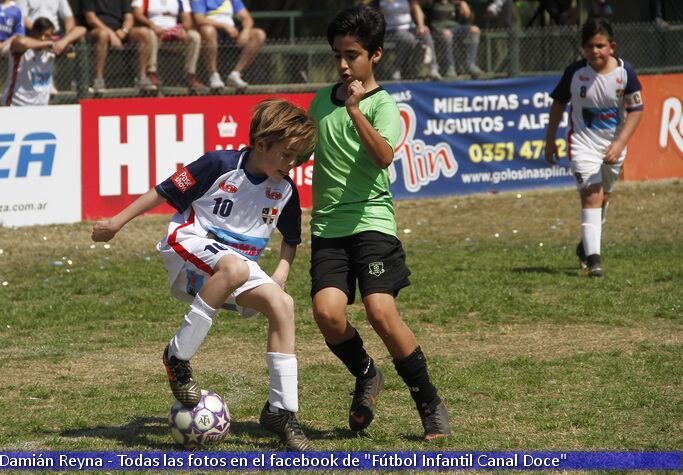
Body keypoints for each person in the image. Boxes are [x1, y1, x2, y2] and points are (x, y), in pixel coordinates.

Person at [91, 99, 317, 451]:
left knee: (282, 305)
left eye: (298, 159)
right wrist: (117, 222)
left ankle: (281, 412)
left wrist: (281, 274)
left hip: (234, 267)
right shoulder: (219, 163)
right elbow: (163, 190)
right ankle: (177, 357)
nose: (292, 165)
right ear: (261, 144)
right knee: (235, 266)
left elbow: (291, 240)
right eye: (287, 155)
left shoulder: (285, 189)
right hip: (190, 244)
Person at [307, 5, 451, 440]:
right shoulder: (319, 102)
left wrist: (354, 111)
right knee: (327, 314)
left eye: (351, 54)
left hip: (372, 221)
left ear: (375, 56)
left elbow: (384, 156)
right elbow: (299, 152)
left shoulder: (383, 104)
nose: (343, 64)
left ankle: (429, 402)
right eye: (337, 55)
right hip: (328, 227)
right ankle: (367, 373)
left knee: (380, 310)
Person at [544, 18, 644, 278]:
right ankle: (594, 261)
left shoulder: (626, 73)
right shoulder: (575, 73)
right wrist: (550, 140)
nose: (595, 51)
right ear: (583, 48)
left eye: (600, 45)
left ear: (612, 46)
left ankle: (585, 246)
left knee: (604, 197)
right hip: (582, 143)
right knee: (591, 195)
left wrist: (619, 143)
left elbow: (636, 110)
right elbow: (557, 105)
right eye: (589, 46)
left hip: (612, 146)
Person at [190, 0, 266, 90]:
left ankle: (235, 74)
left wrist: (246, 30)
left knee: (259, 35)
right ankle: (213, 75)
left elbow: (246, 17)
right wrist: (224, 26)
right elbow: (199, 19)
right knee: (207, 30)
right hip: (211, 33)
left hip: (231, 34)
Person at [131, 0, 205, 92]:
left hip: (173, 36)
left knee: (194, 36)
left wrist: (181, 29)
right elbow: (138, 14)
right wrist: (152, 25)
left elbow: (187, 20)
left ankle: (190, 75)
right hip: (155, 33)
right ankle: (151, 73)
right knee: (150, 34)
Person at [82, 0, 155, 93]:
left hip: (119, 31)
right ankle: (98, 79)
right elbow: (91, 18)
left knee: (143, 33)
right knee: (103, 35)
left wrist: (124, 31)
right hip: (97, 31)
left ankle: (142, 77)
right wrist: (111, 34)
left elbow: (129, 17)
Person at [374, 0, 441, 80]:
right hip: (391, 30)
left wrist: (421, 25)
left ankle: (434, 69)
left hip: (410, 27)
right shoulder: (379, 1)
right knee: (408, 39)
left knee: (425, 34)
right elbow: (375, 15)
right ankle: (398, 69)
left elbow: (416, 8)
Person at [1, 17, 58, 106]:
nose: (43, 38)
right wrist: (47, 43)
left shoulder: (50, 52)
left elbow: (80, 29)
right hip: (16, 104)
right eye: (40, 34)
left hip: (41, 107)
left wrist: (63, 42)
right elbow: (21, 42)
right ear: (33, 32)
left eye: (47, 36)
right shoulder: (23, 48)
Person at [426, 0, 482, 78]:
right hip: (438, 30)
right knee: (447, 34)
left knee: (475, 29)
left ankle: (470, 64)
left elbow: (467, 15)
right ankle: (450, 66)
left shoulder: (452, 3)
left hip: (455, 28)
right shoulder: (432, 3)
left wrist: (463, 2)